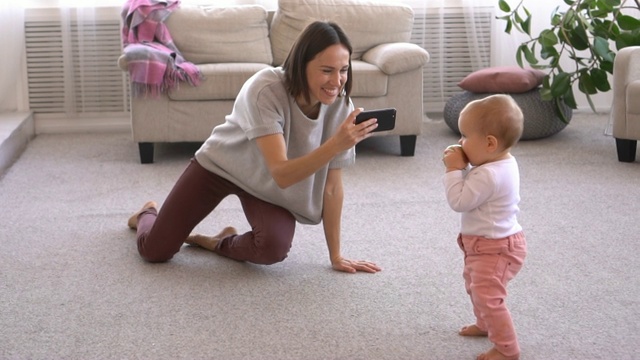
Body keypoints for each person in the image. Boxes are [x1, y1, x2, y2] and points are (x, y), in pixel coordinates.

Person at [127, 21, 382, 274]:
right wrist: (336, 144)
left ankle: (219, 242)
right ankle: (147, 213)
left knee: (273, 248)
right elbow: (282, 173)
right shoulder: (266, 88)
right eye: (327, 70)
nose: (337, 81)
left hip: (265, 187)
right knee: (154, 251)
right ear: (301, 65)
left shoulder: (341, 107)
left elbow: (332, 187)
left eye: (344, 70)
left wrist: (335, 255)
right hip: (220, 167)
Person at [441, 94, 527, 360]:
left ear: (490, 143)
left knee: (489, 296)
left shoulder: (488, 174)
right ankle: (484, 323)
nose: (460, 142)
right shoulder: (501, 162)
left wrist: (454, 170)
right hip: (487, 243)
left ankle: (506, 348)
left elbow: (459, 201)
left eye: (465, 136)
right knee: (476, 288)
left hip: (495, 248)